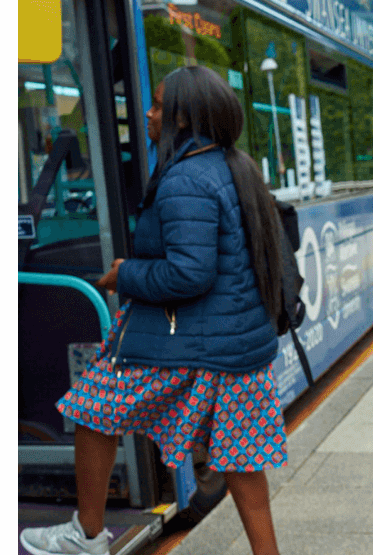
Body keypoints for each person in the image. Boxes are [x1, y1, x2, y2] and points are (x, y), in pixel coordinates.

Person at [19, 65, 293, 555]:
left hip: (192, 343)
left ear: (185, 118)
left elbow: (190, 273)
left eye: (160, 105)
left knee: (89, 410)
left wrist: (123, 274)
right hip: (241, 347)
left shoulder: (185, 178)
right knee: (243, 464)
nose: (148, 112)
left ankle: (86, 536)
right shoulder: (234, 165)